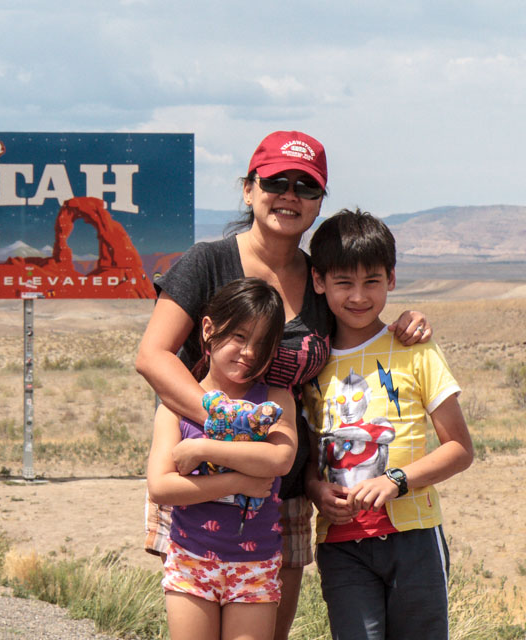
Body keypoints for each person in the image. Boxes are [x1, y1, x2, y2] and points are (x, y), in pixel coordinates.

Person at [135, 130, 432, 640]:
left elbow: (361, 327)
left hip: (285, 486)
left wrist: (407, 324)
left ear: (319, 200)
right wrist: (228, 426)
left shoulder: (321, 279)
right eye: (276, 182)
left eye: (306, 186)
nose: (289, 195)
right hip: (196, 479)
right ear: (249, 188)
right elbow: (152, 357)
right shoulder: (208, 263)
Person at [303, 209, 474, 640]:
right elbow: (308, 457)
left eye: (372, 281)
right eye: (344, 282)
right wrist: (316, 490)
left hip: (414, 536)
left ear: (392, 279)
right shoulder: (310, 365)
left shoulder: (416, 350)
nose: (359, 296)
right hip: (341, 545)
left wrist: (396, 480)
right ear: (319, 281)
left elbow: (459, 449)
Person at [147, 277, 298, 640]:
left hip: (255, 564)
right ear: (209, 330)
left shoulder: (275, 400)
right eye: (240, 337)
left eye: (262, 344)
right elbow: (161, 487)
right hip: (191, 560)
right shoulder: (175, 407)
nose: (249, 352)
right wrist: (239, 482)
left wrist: (203, 449)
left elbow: (280, 459)